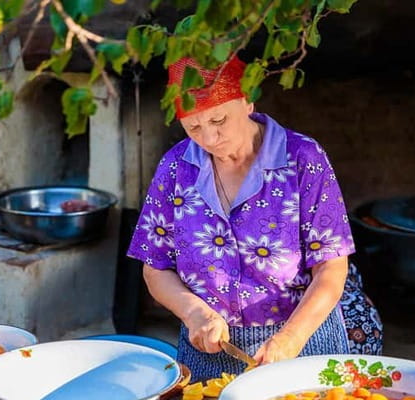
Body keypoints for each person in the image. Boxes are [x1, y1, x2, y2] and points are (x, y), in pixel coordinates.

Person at [127, 56, 382, 381]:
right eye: (193, 127)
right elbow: (155, 267)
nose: (209, 138)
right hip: (210, 353)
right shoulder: (176, 167)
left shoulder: (303, 158)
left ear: (247, 99)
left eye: (218, 120)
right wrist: (194, 313)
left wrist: (289, 341)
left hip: (303, 344)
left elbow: (331, 268)